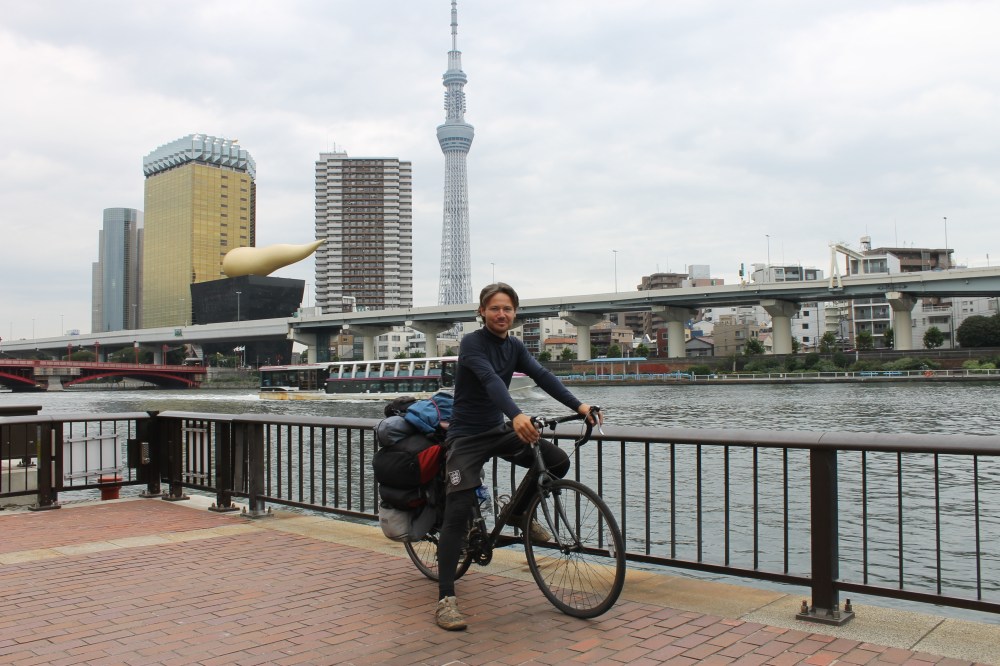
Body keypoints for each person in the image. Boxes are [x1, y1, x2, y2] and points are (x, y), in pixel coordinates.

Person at [434, 282, 601, 631]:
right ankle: (446, 598)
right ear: (482, 311)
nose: (501, 314)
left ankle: (518, 512)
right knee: (457, 511)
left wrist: (580, 406)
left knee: (557, 460)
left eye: (507, 308)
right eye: (495, 308)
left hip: (498, 430)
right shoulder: (471, 343)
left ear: (515, 313)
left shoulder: (515, 346)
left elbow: (542, 376)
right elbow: (490, 380)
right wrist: (516, 415)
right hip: (466, 437)